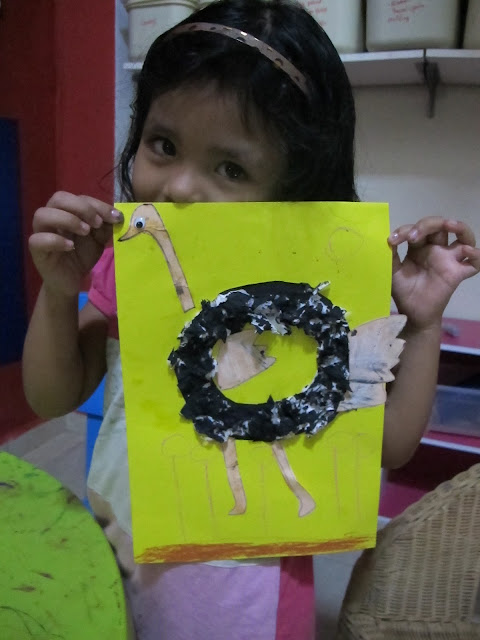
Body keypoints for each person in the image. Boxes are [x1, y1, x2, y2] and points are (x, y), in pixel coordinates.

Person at [22, 0, 480, 637]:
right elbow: (50, 396)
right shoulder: (133, 264)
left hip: (247, 585)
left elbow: (392, 444)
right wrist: (56, 292)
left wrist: (423, 324)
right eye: (163, 145)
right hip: (121, 541)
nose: (179, 187)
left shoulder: (321, 295)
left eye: (231, 168)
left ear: (293, 189)